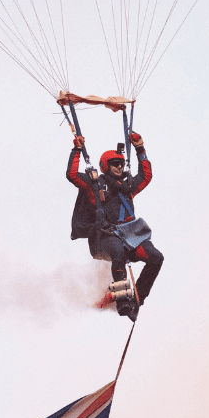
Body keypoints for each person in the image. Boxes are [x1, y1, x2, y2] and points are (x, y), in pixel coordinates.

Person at [66, 130, 163, 320]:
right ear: (105, 166)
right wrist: (77, 149)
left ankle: (137, 298)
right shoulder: (95, 184)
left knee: (156, 258)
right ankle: (122, 301)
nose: (118, 167)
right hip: (103, 237)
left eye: (120, 164)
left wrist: (140, 148)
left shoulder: (128, 187)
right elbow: (72, 175)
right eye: (114, 164)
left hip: (131, 236)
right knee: (118, 252)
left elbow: (146, 177)